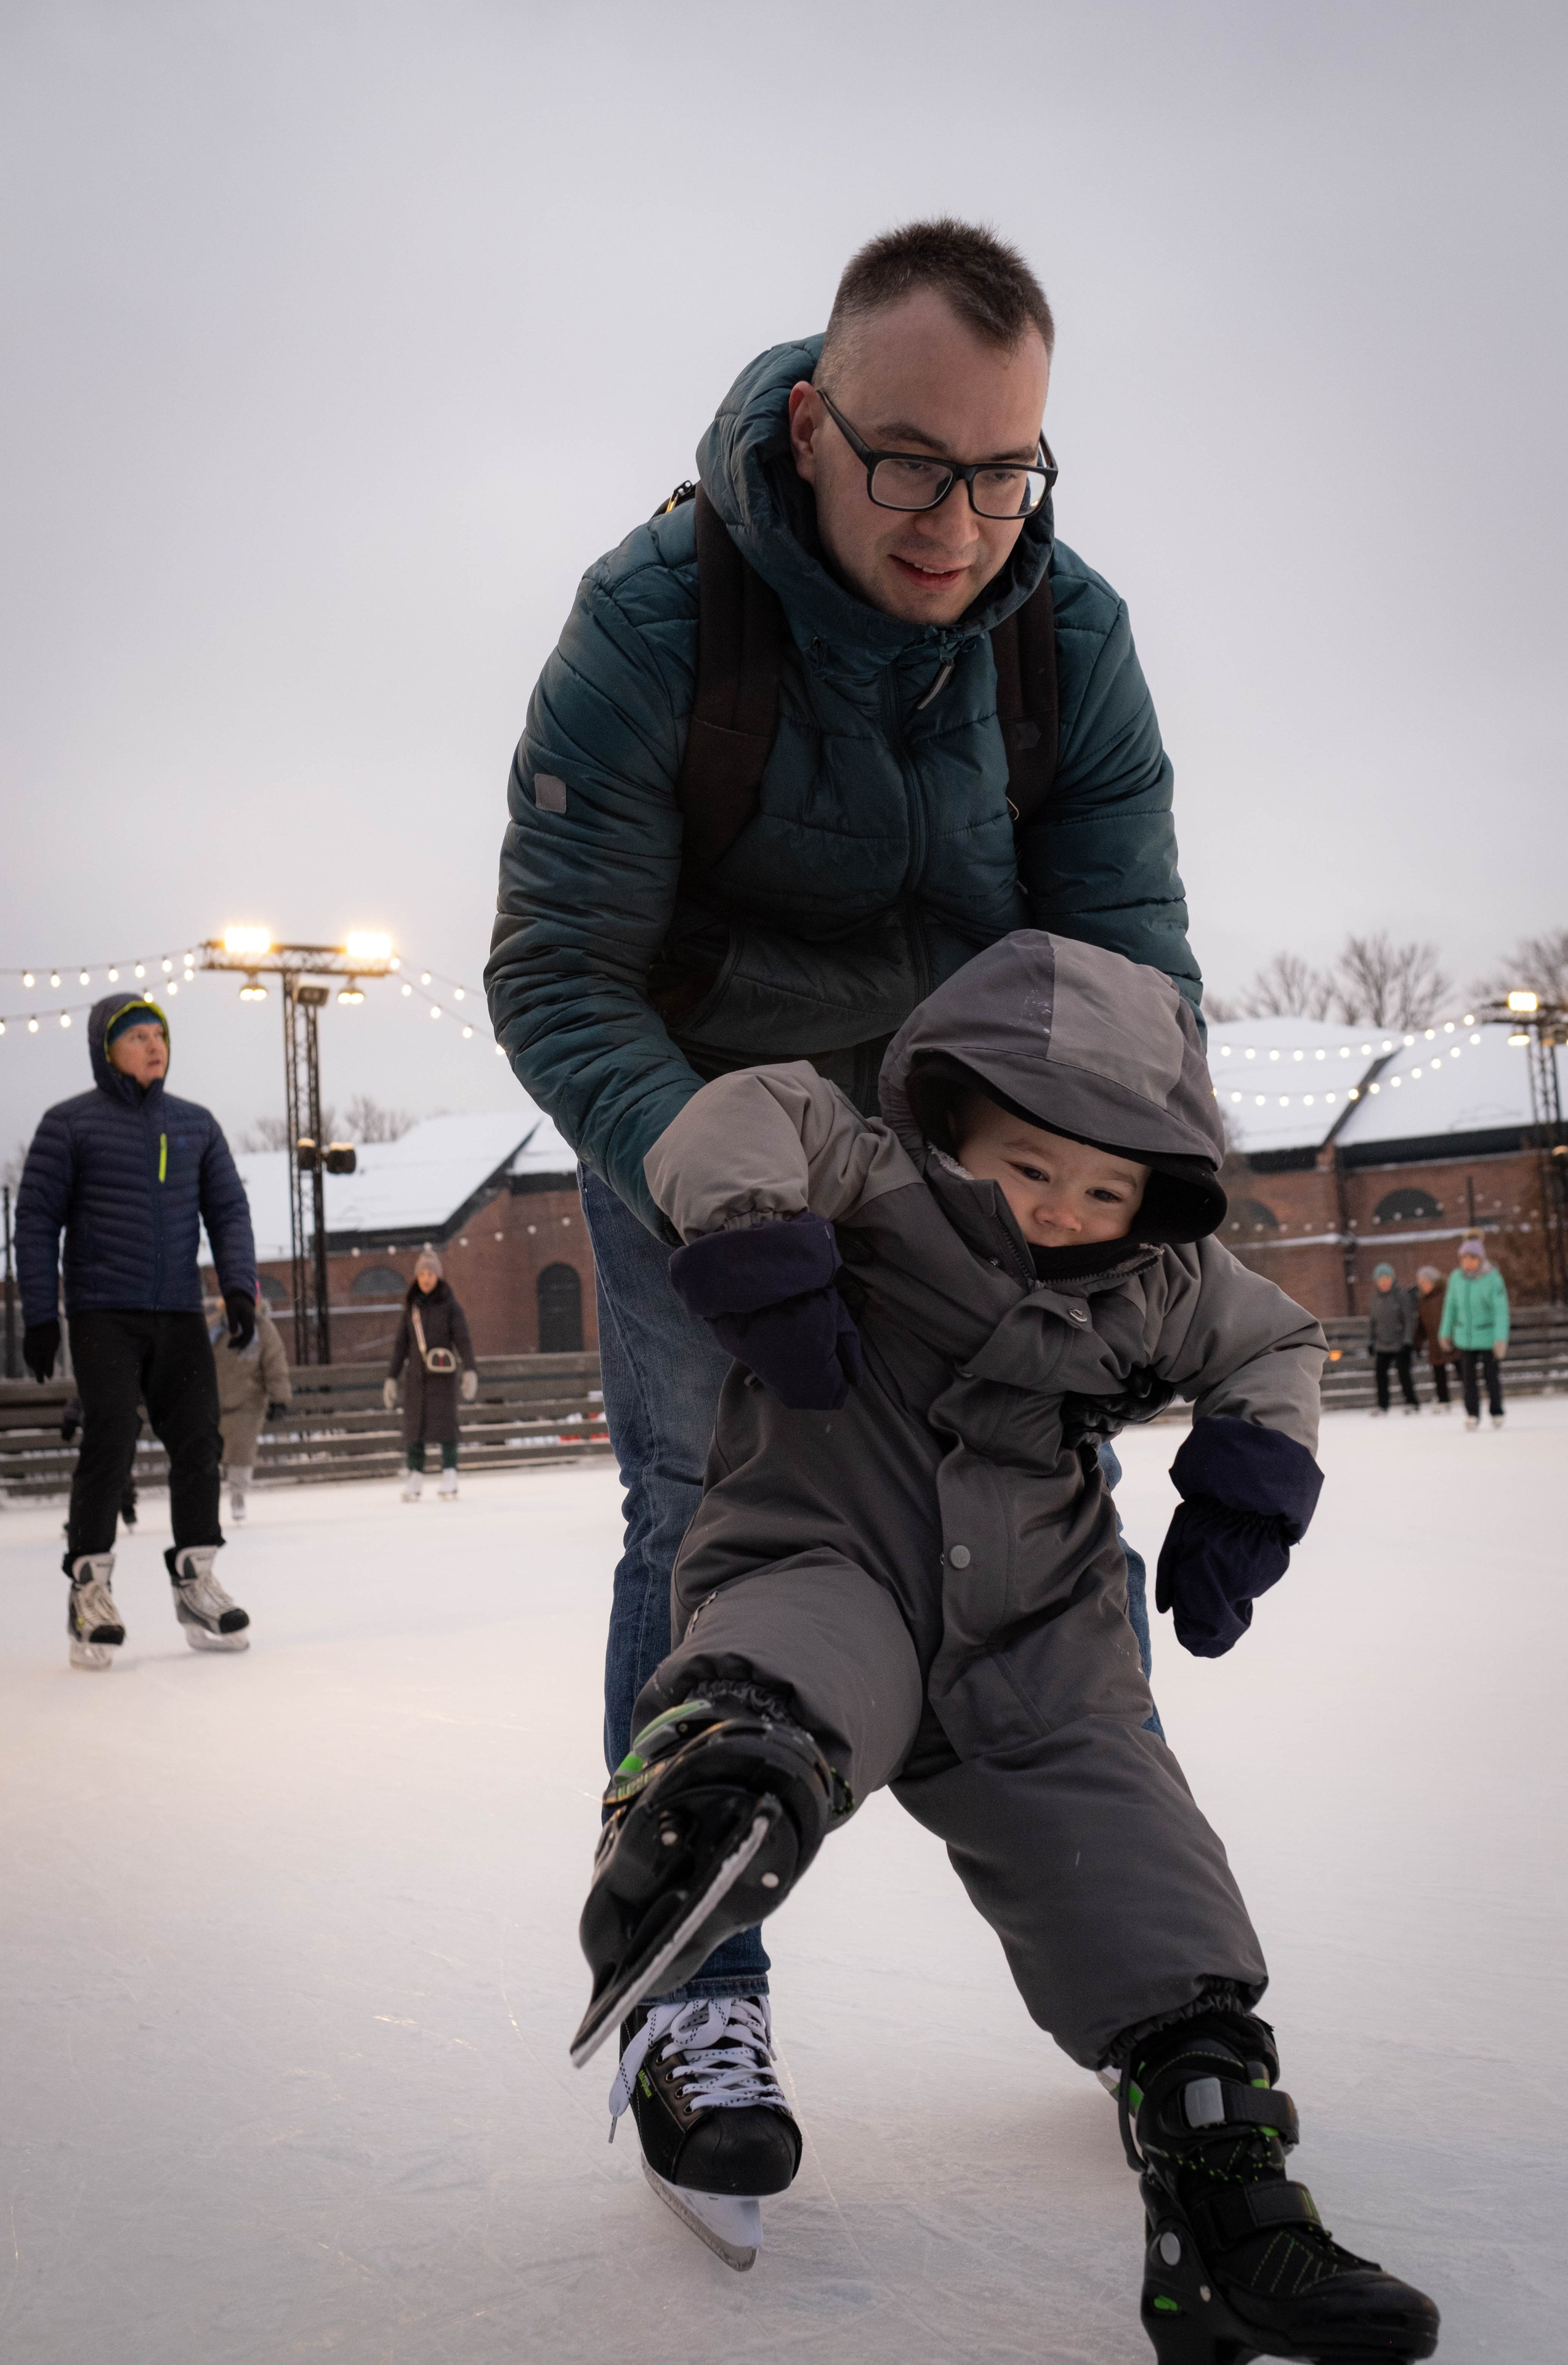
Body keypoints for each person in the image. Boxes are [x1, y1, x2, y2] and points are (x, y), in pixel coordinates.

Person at [487, 218, 1202, 2170]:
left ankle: (1157, 1989)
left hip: (972, 1151)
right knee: (701, 1519)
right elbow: (556, 968)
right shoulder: (653, 623)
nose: (956, 520)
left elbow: (1130, 960)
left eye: (1001, 467)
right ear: (808, 424)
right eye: (907, 459)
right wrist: (713, 1181)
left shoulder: (1072, 636)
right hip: (705, 1125)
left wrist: (1162, 1240)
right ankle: (695, 1999)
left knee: (1051, 1533)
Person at [572, 932, 1439, 2359]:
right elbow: (733, 1113)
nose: (1059, 1209)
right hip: (831, 1547)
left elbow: (1274, 1338)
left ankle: (1227, 2211)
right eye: (1027, 1166)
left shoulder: (1151, 1276)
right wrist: (753, 1239)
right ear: (947, 1115)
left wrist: (1247, 1475)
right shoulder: (862, 1169)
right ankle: (712, 1791)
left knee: (1145, 1878)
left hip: (1037, 1624)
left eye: (1102, 1189)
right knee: (791, 1671)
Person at [14, 993, 258, 1668]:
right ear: (106, 1050)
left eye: (161, 1035)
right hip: (103, 1311)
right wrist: (40, 1313)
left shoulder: (196, 1126)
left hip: (179, 1310)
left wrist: (239, 1287)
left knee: (199, 1440)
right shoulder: (69, 1126)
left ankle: (196, 1580)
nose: (155, 1046)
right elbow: (35, 1222)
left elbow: (230, 1211)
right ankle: (90, 1589)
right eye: (138, 1037)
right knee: (111, 1436)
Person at [384, 1248, 477, 1499]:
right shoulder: (411, 1308)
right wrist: (392, 1377)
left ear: (438, 1276)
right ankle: (415, 1478)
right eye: (422, 1274)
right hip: (416, 1379)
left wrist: (470, 1370)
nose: (426, 1278)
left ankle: (450, 1475)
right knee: (415, 1428)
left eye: (430, 1273)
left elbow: (463, 1339)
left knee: (446, 1426)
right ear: (416, 1277)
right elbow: (401, 1346)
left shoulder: (450, 1305)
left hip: (442, 1378)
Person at [211, 1285, 291, 1521]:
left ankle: (237, 1494)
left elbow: (275, 1365)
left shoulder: (263, 1330)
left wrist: (279, 1399)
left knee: (241, 1452)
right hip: (213, 1402)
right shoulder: (214, 1327)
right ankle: (208, 1500)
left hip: (248, 1402)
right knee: (210, 1453)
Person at [1438, 1236, 1508, 1429]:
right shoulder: (1456, 1278)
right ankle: (1472, 1414)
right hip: (1465, 1338)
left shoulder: (1493, 1278)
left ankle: (1496, 1412)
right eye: (1464, 1258)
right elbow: (1450, 1307)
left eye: (1472, 1258)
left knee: (1491, 1377)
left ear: (1480, 1259)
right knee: (1468, 1380)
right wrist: (1445, 1333)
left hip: (1488, 1337)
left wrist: (1500, 1339)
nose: (1468, 1262)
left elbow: (1501, 1311)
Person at [60, 1392, 139, 1528]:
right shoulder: (94, 1377)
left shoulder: (130, 1378)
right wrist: (70, 1420)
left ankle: (126, 1505)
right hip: (96, 1434)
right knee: (92, 1475)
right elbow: (80, 1397)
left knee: (120, 1468)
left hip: (122, 1430)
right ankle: (83, 1516)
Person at [1366, 1261, 1420, 1415]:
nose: (1384, 1282)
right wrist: (1371, 1341)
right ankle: (1383, 1405)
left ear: (1392, 1279)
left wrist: (1408, 1340)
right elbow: (1372, 1322)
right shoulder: (1374, 1299)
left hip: (1400, 1343)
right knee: (1380, 1375)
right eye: (1381, 1280)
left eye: (1387, 1279)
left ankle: (1411, 1401)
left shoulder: (1401, 1296)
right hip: (1382, 1343)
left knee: (1404, 1373)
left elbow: (1409, 1320)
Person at [1413, 1265, 1454, 1411]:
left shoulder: (1446, 1296)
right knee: (1439, 1373)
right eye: (1421, 1283)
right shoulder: (1422, 1301)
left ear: (1434, 1282)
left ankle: (1472, 1395)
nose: (1423, 1286)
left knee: (1462, 1369)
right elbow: (1421, 1325)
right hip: (1434, 1343)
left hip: (1451, 1341)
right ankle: (1444, 1400)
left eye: (1426, 1282)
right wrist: (1417, 1343)